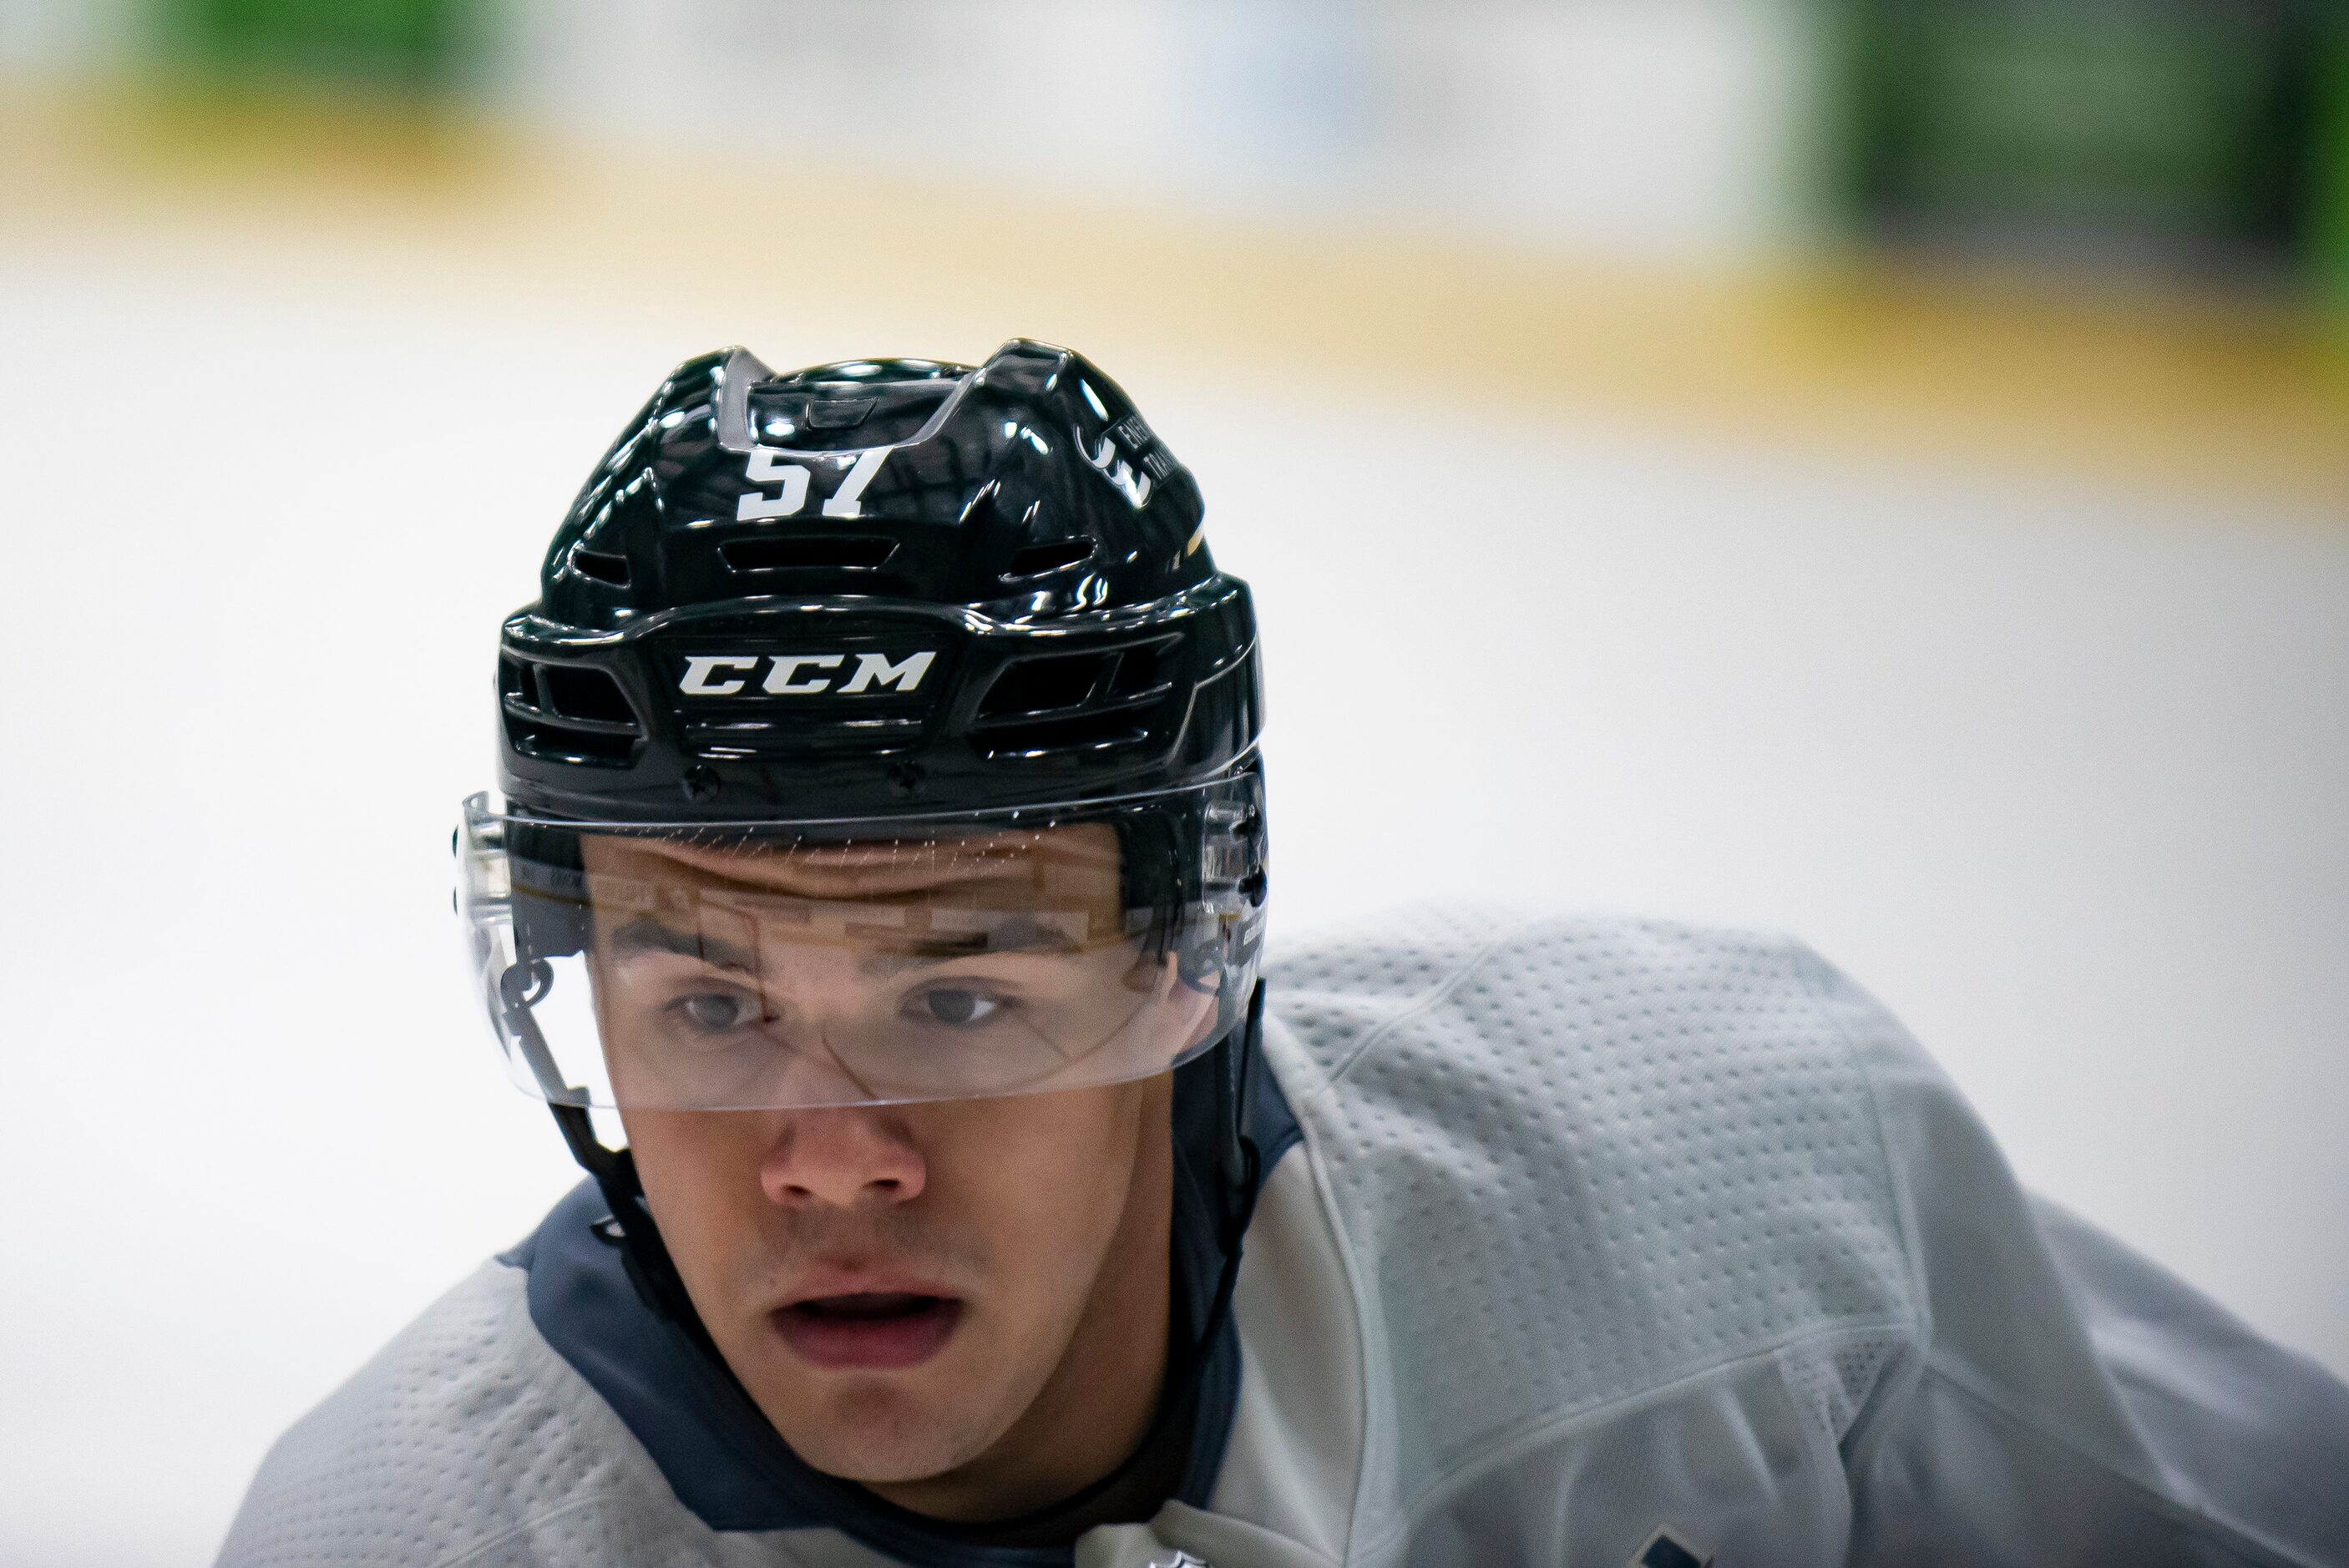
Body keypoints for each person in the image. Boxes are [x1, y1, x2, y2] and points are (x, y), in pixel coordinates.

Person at [217, 341, 2349, 1568]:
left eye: (962, 998)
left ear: (1190, 960)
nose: (830, 1157)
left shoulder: (1736, 1207)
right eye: (710, 1005)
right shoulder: (412, 1537)